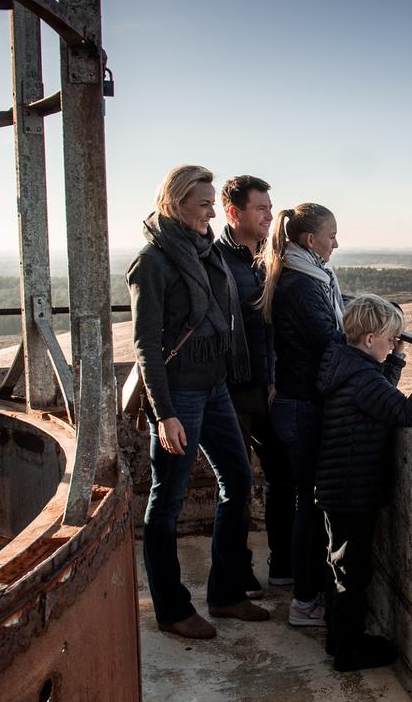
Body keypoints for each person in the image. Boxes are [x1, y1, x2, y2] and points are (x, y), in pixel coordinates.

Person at [128, 164, 270, 640]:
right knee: (166, 502)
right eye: (205, 204)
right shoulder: (153, 262)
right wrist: (164, 413)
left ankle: (226, 594)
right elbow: (146, 343)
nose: (213, 212)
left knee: (239, 476)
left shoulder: (206, 252)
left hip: (214, 387)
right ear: (177, 202)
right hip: (179, 394)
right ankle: (171, 609)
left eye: (213, 202)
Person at [316, 294, 412, 671]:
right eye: (390, 340)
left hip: (337, 486)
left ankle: (337, 639)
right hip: (354, 490)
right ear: (369, 339)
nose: (393, 346)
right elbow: (407, 412)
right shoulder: (361, 378)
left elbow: (377, 393)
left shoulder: (347, 365)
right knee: (352, 574)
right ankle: (349, 652)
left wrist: (398, 358)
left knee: (338, 564)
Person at [257, 203, 344, 626]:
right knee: (311, 505)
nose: (336, 243)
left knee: (303, 502)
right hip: (303, 408)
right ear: (310, 240)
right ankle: (305, 603)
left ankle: (298, 589)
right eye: (331, 235)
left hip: (294, 404)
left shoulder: (300, 276)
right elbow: (331, 342)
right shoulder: (304, 285)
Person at [215, 175, 295, 593]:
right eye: (260, 208)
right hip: (232, 390)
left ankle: (282, 563)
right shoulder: (214, 259)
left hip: (272, 387)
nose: (269, 215)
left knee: (285, 476)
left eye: (269, 206)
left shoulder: (271, 257)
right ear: (235, 212)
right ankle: (238, 572)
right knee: (236, 483)